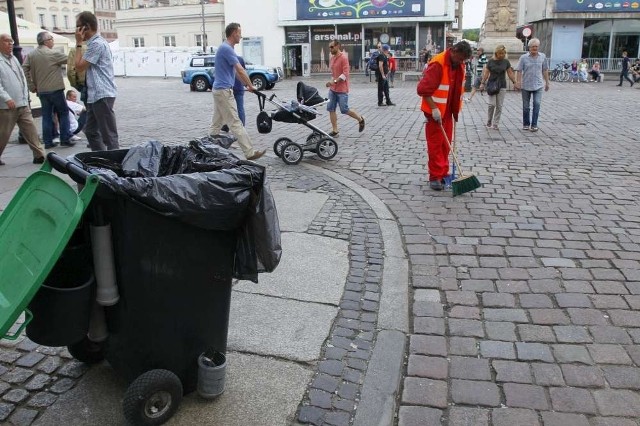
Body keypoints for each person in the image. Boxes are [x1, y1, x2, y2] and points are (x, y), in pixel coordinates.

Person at [417, 40, 472, 191]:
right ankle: (435, 177)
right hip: (435, 112)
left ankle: (443, 173)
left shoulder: (459, 64)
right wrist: (434, 109)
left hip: (448, 111)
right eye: (460, 58)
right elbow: (423, 89)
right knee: (436, 145)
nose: (462, 62)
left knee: (446, 145)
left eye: (464, 60)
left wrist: (456, 110)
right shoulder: (438, 64)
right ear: (454, 51)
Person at [208, 22, 265, 161]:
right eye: (239, 32)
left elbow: (236, 73)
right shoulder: (226, 48)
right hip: (223, 91)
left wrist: (247, 85)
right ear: (234, 33)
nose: (241, 35)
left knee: (217, 123)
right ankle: (250, 152)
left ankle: (207, 147)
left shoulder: (226, 48)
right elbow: (240, 69)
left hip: (220, 90)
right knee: (235, 122)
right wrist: (251, 85)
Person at [74, 11, 119, 151]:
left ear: (86, 27)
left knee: (109, 135)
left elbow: (79, 66)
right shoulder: (93, 44)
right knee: (91, 130)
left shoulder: (96, 44)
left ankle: (115, 164)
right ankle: (100, 159)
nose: (76, 30)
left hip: (102, 94)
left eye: (78, 27)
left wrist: (78, 43)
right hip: (95, 95)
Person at [22, 31, 74, 149]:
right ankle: (65, 138)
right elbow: (71, 59)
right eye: (51, 39)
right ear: (46, 41)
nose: (53, 41)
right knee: (63, 113)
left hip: (41, 90)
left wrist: (31, 85)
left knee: (46, 115)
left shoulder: (31, 55)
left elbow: (24, 68)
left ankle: (48, 141)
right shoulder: (53, 53)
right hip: (55, 89)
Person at [0, 33, 46, 165]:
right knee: (3, 134)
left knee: (31, 130)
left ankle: (39, 155)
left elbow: (21, 77)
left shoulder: (13, 58)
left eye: (11, 41)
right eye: (6, 41)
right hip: (6, 106)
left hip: (22, 103)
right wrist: (6, 98)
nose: (10, 44)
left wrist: (25, 94)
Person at [324, 39, 365, 137]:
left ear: (338, 46)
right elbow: (333, 73)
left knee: (344, 109)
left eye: (332, 47)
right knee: (331, 108)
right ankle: (335, 131)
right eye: (329, 47)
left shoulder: (343, 58)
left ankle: (360, 119)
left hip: (342, 89)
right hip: (333, 89)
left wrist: (334, 81)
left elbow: (345, 74)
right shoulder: (332, 58)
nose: (330, 49)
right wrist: (331, 82)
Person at [514, 38, 550, 132]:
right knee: (526, 106)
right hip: (526, 84)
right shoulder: (523, 58)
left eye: (536, 46)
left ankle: (534, 124)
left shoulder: (542, 56)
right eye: (533, 47)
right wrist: (518, 82)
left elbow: (545, 70)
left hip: (538, 84)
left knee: (537, 103)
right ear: (529, 47)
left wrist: (547, 82)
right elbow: (519, 70)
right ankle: (526, 124)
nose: (535, 48)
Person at [479, 45, 517, 130]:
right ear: (496, 53)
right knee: (492, 104)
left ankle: (495, 123)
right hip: (492, 85)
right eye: (500, 53)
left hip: (502, 85)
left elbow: (510, 73)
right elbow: (486, 73)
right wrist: (482, 83)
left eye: (503, 53)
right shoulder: (490, 62)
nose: (501, 55)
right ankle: (489, 120)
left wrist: (514, 82)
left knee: (499, 105)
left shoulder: (506, 62)